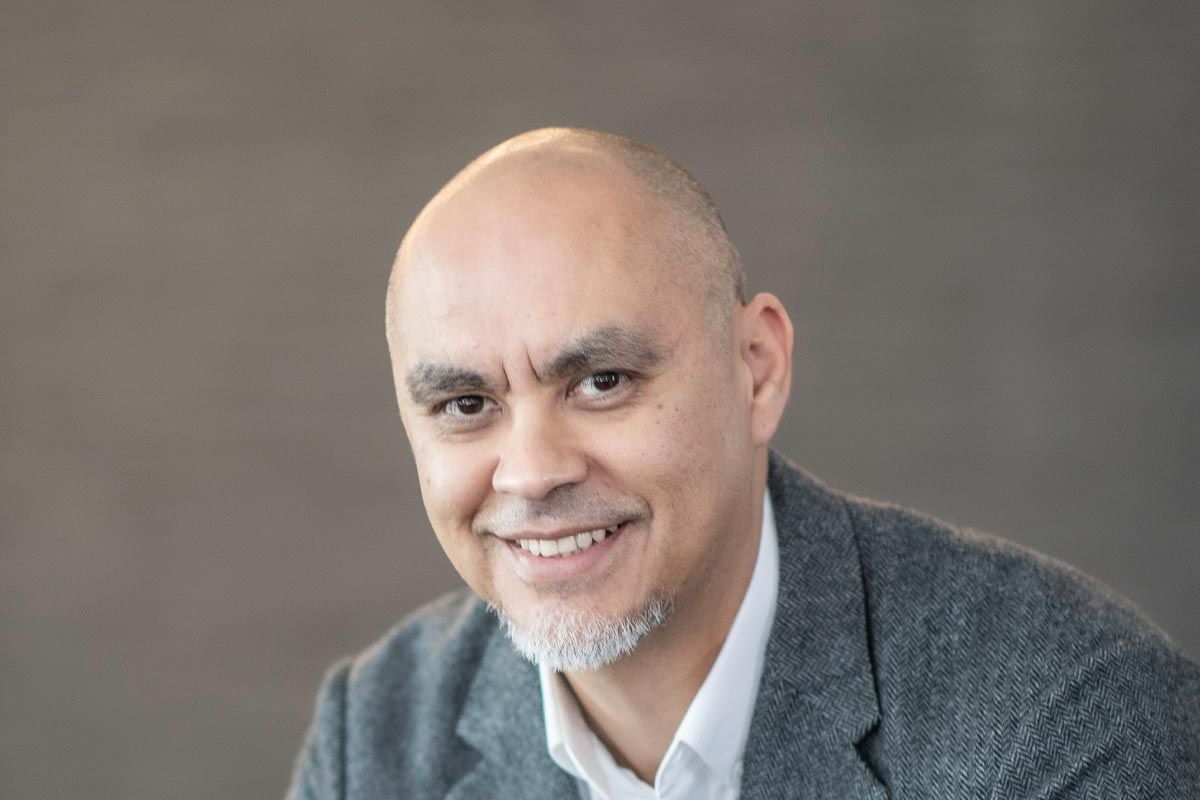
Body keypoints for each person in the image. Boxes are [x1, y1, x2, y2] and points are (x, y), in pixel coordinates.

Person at [286, 128, 1199, 799]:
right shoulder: (376, 738)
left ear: (756, 369)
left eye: (602, 380)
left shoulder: (1064, 722)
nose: (530, 472)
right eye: (466, 406)